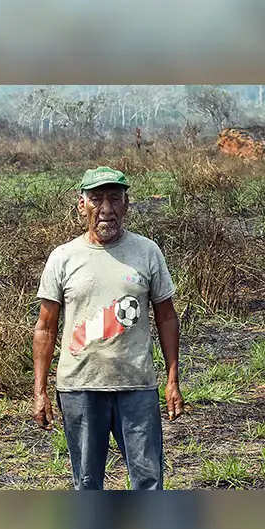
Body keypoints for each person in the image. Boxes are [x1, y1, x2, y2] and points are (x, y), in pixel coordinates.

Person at [32, 165, 183, 490]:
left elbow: (167, 317)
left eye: (114, 199)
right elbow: (45, 327)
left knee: (148, 481)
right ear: (81, 205)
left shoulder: (147, 252)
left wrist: (172, 380)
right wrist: (40, 390)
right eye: (96, 199)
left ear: (126, 205)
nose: (106, 209)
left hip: (137, 386)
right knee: (87, 484)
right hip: (80, 388)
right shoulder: (63, 257)